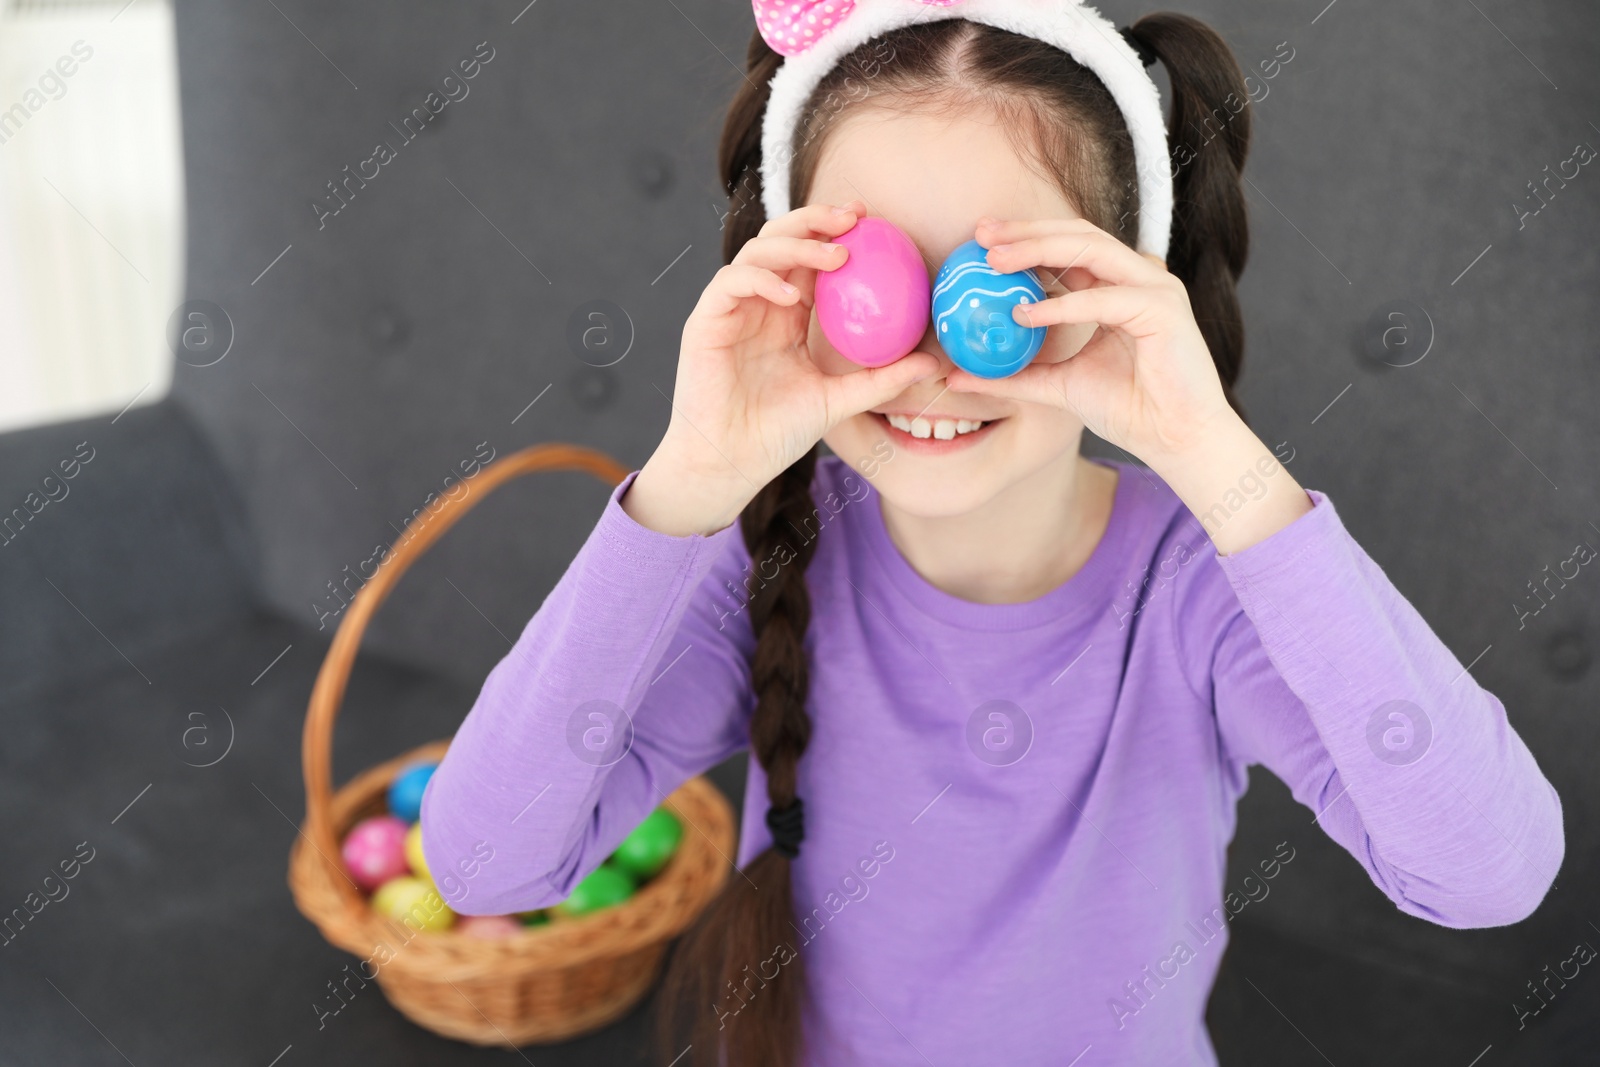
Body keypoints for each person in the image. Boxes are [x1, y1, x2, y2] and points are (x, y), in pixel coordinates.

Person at [420, 3, 1564, 1064]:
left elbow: (1484, 872)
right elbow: (488, 860)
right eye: (871, 277)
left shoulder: (1198, 594)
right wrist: (686, 482)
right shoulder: (763, 561)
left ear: (1128, 284)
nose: (936, 357)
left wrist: (1219, 463)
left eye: (1008, 284)